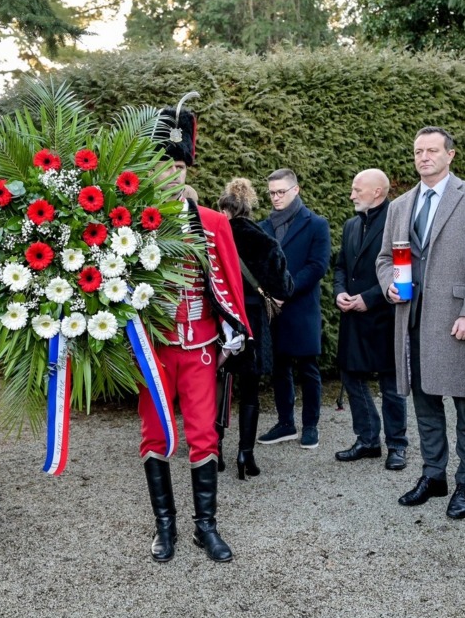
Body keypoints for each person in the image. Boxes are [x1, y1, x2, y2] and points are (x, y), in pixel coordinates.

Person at [139, 99, 251, 564]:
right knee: (156, 435)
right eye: (163, 166)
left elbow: (229, 282)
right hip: (155, 349)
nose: (172, 174)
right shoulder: (131, 222)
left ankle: (207, 526)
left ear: (188, 169)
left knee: (204, 435)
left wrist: (232, 333)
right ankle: (165, 528)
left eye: (179, 165)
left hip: (202, 344)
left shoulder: (214, 221)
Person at [375, 126, 465, 519]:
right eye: (417, 151)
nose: (423, 157)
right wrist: (390, 287)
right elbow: (384, 260)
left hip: (455, 318)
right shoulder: (399, 206)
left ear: (450, 155)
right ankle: (433, 475)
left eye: (431, 151)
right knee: (424, 402)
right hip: (410, 317)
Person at [218, 178, 294, 479]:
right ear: (249, 207)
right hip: (251, 320)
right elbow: (283, 284)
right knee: (249, 390)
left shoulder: (211, 235)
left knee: (217, 386)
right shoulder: (262, 238)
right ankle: (244, 454)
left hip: (220, 317)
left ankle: (214, 452)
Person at [334, 169, 408, 471]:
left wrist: (370, 298)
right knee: (352, 377)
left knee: (391, 384)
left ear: (378, 192)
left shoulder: (398, 220)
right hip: (352, 316)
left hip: (385, 315)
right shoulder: (351, 224)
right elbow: (340, 266)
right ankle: (367, 439)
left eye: (357, 190)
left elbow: (403, 270)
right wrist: (339, 292)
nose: (352, 195)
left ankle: (397, 446)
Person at [257, 169, 330, 449]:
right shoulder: (263, 226)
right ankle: (285, 423)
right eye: (272, 193)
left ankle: (311, 426)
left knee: (308, 368)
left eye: (280, 192)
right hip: (272, 308)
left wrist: (286, 291)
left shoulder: (316, 224)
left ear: (295, 190)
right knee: (279, 368)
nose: (275, 198)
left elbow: (317, 266)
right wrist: (269, 294)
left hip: (301, 307)